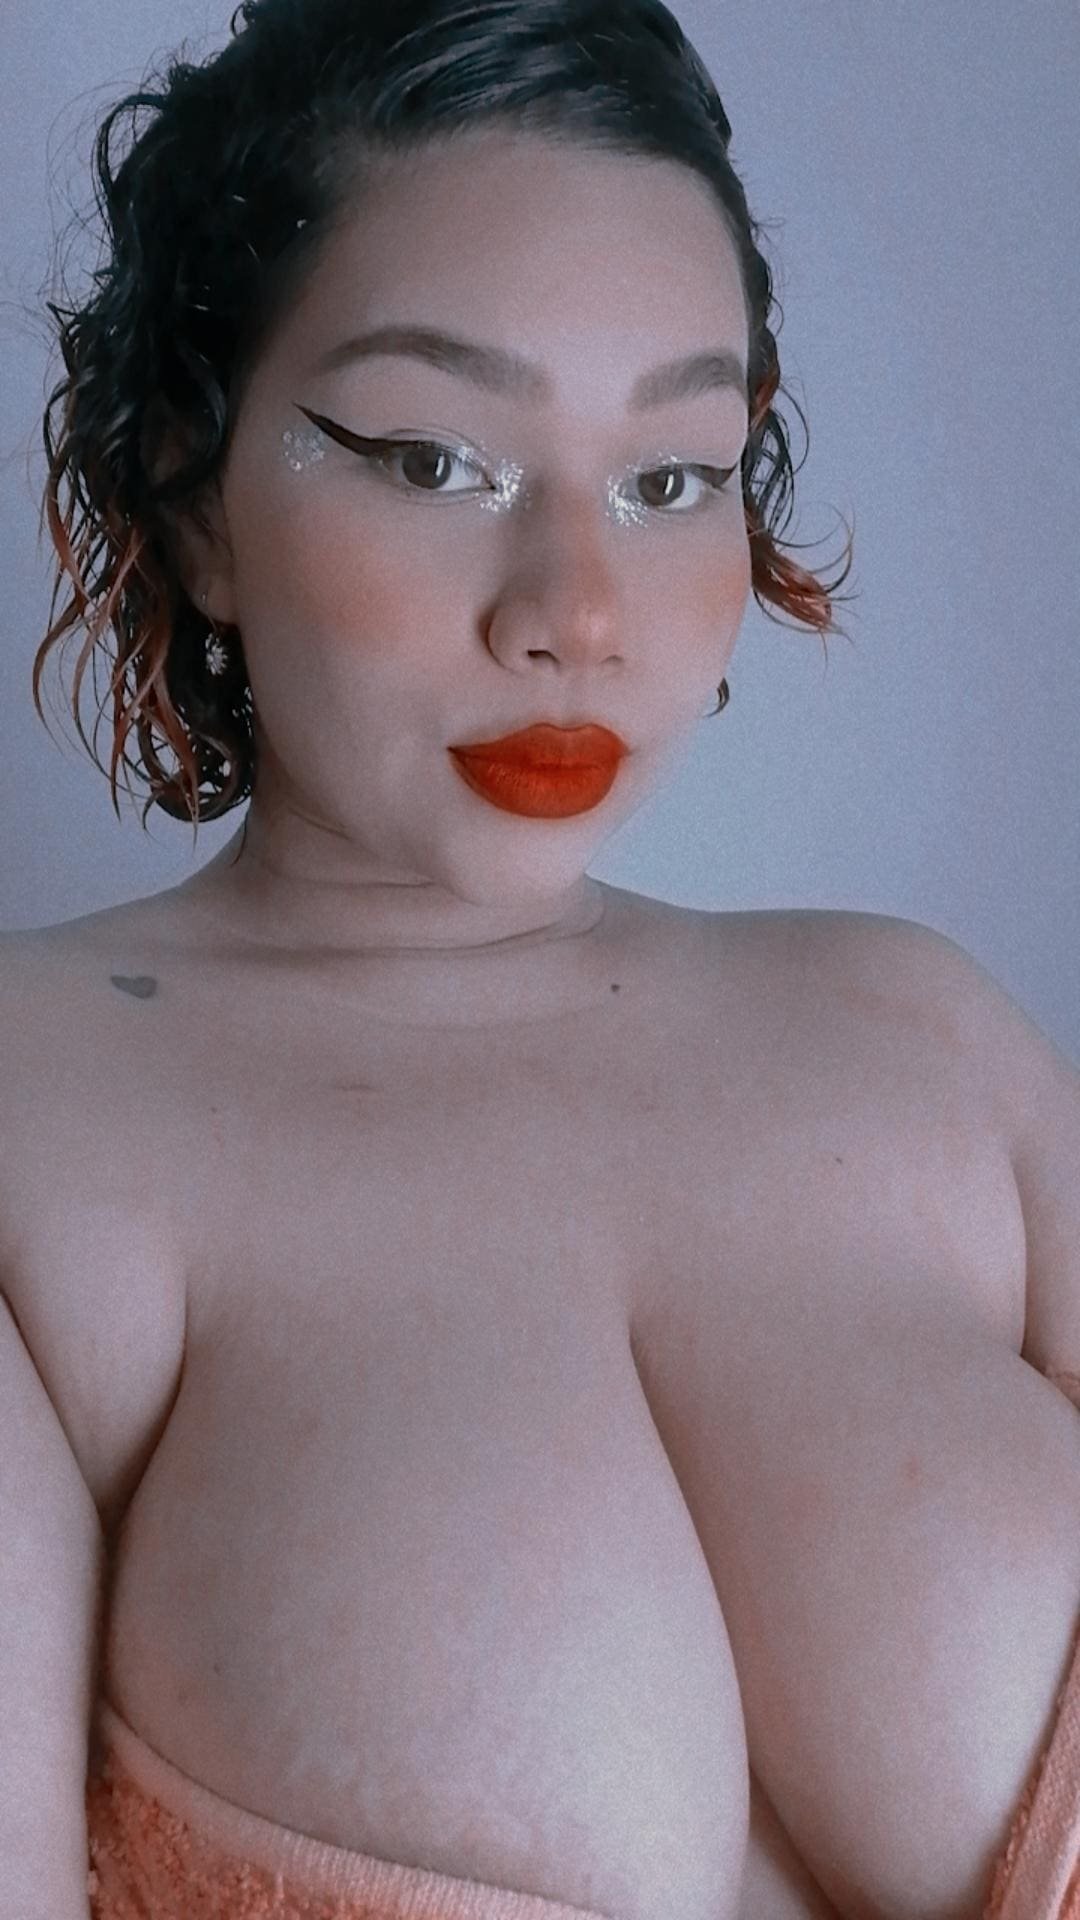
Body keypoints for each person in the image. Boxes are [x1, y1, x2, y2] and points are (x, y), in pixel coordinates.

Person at [3, 2, 1077, 1917]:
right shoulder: (34, 1123)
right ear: (189, 491)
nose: (579, 612)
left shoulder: (933, 1033)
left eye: (671, 477)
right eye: (434, 459)